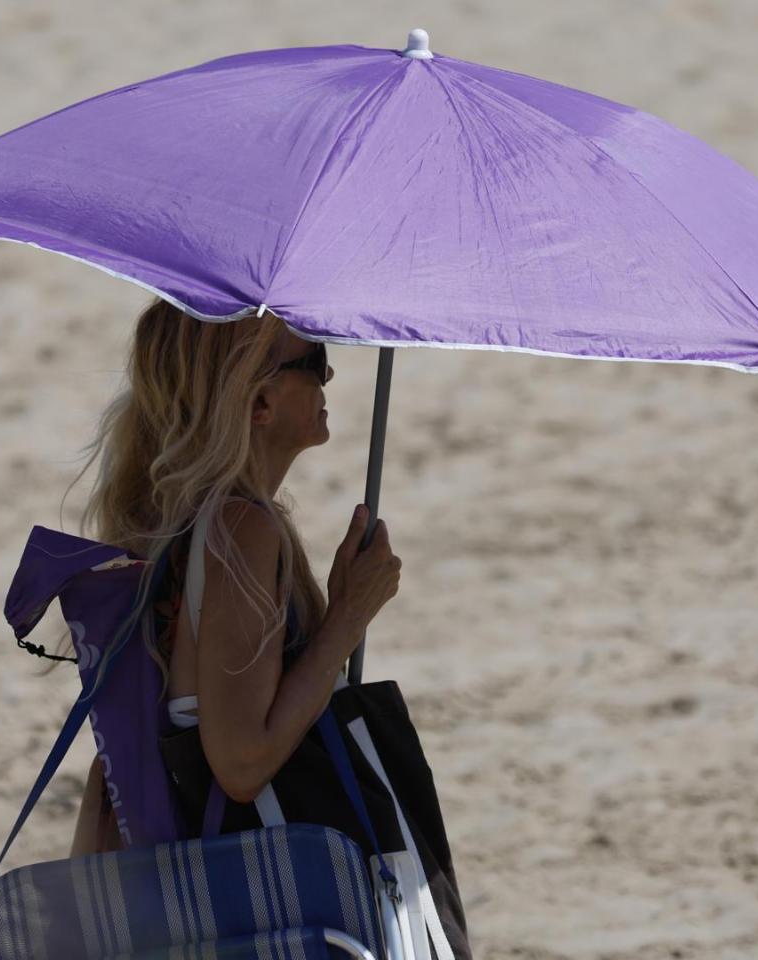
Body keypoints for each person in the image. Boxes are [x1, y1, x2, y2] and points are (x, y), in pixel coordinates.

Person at [60, 297, 469, 956]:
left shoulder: (186, 531)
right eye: (313, 359)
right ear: (258, 405)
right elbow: (242, 760)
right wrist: (348, 616)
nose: (329, 377)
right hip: (263, 899)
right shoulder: (238, 529)